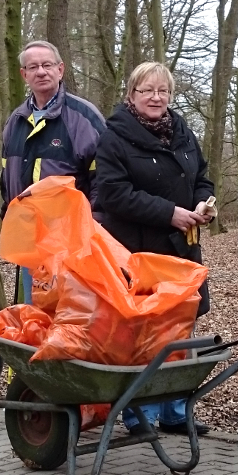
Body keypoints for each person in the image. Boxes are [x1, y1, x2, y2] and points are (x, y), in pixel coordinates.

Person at [95, 61, 215, 436]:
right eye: (147, 90)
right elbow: (113, 194)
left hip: (180, 252)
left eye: (163, 90)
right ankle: (136, 413)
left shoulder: (182, 132)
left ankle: (176, 411)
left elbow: (202, 176)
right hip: (136, 253)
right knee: (140, 334)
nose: (156, 97)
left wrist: (202, 203)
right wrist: (169, 214)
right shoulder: (114, 136)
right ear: (131, 95)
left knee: (178, 330)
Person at [0, 40, 106, 302]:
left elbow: (103, 178)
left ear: (60, 69)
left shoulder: (84, 117)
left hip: (73, 241)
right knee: (36, 312)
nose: (41, 72)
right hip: (30, 240)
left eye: (47, 65)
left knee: (72, 317)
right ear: (24, 74)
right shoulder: (15, 121)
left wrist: (94, 226)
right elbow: (7, 178)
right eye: (33, 67)